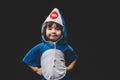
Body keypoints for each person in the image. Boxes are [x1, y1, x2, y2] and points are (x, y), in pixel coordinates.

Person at [22, 8, 78, 80]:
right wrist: (36, 69)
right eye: (50, 28)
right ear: (44, 30)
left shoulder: (65, 47)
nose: (53, 31)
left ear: (63, 31)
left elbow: (74, 57)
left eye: (57, 29)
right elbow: (27, 58)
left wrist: (69, 68)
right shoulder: (41, 47)